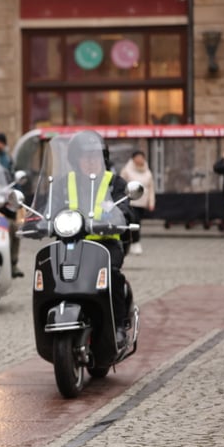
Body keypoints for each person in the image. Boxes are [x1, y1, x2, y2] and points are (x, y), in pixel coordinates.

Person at [65, 131, 133, 345]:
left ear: (103, 158)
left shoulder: (114, 182)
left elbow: (125, 207)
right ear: (76, 160)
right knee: (55, 274)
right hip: (71, 244)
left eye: (95, 156)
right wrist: (36, 220)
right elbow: (47, 206)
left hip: (106, 244)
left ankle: (119, 326)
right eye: (86, 156)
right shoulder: (63, 183)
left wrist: (119, 215)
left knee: (111, 275)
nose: (91, 161)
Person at [120, 150, 156, 255]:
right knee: (133, 221)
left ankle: (135, 242)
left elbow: (151, 188)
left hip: (142, 202)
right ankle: (133, 242)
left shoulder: (147, 172)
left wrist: (151, 202)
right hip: (130, 202)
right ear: (133, 158)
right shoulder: (127, 170)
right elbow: (121, 186)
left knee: (138, 222)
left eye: (142, 157)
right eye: (138, 157)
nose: (140, 159)